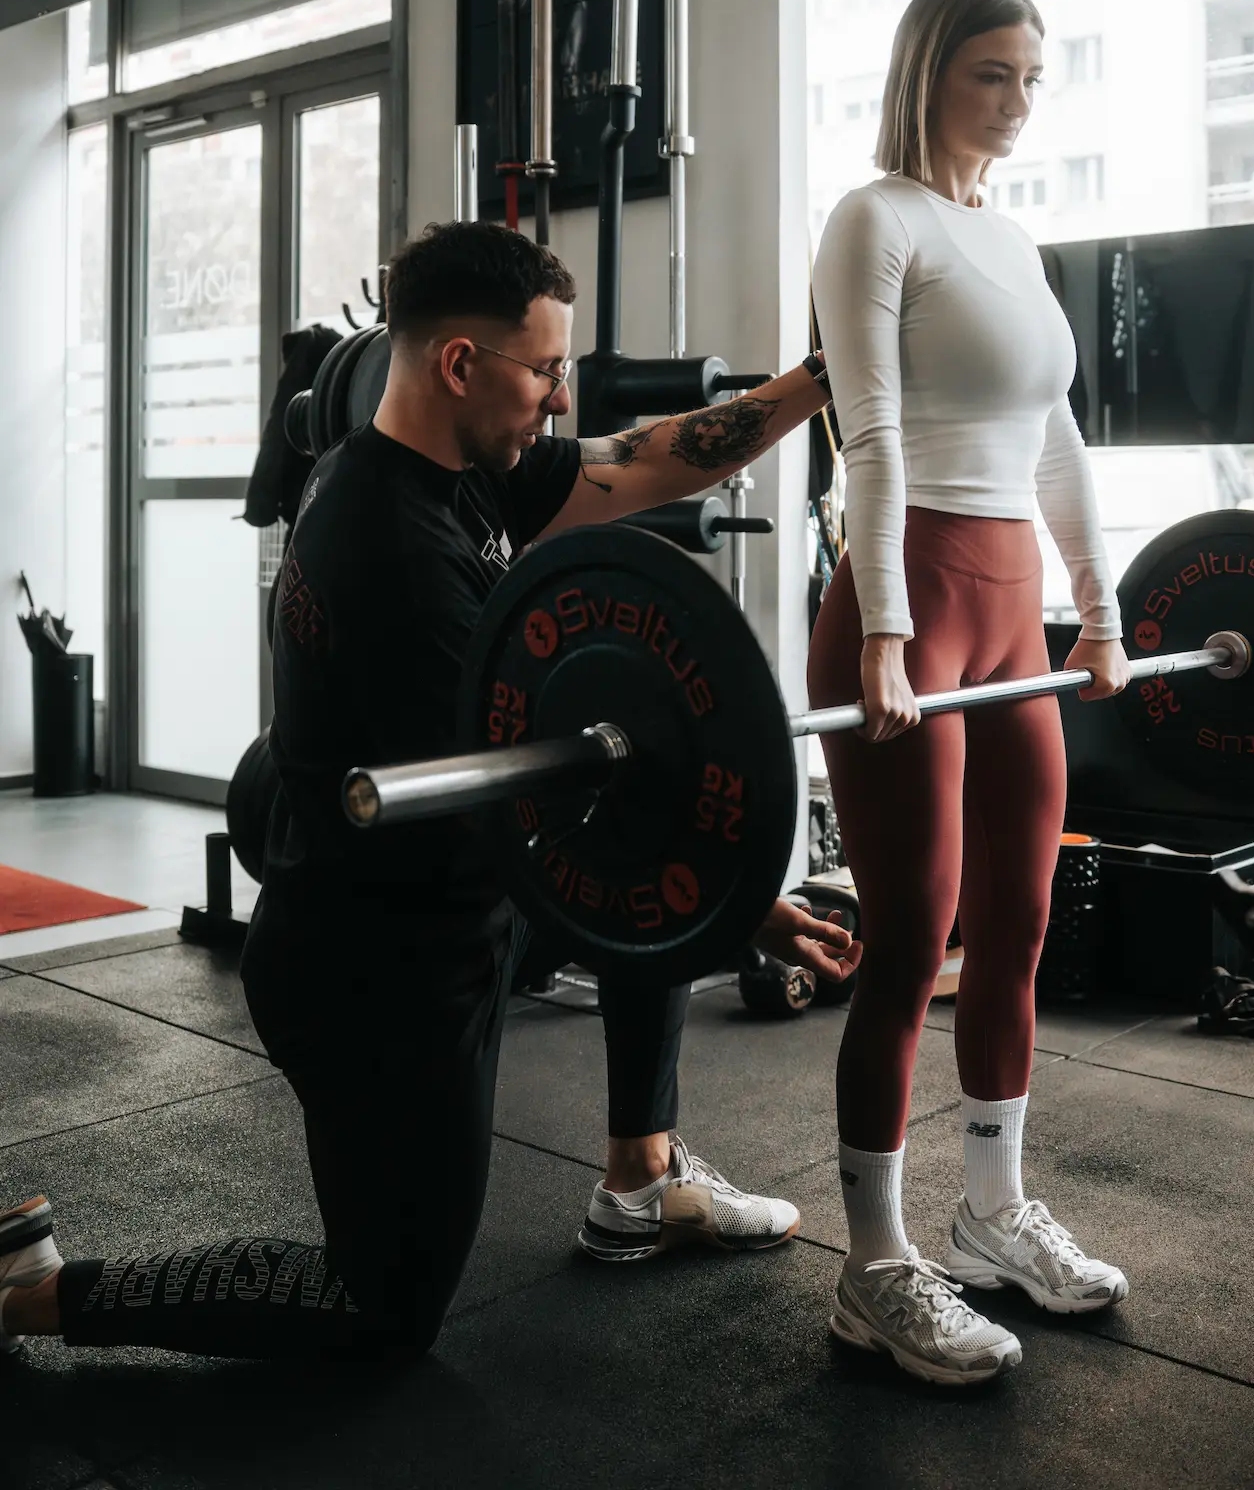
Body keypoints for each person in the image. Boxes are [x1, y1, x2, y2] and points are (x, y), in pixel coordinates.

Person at [1, 220, 857, 1361]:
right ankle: (40, 1287)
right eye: (546, 371)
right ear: (461, 364)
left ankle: (640, 1177)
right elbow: (533, 818)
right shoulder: (395, 551)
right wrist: (736, 899)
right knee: (383, 1308)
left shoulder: (450, 469)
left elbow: (648, 457)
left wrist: (821, 374)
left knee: (636, 828)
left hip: (451, 903)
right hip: (372, 975)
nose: (560, 399)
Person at [808, 0, 1132, 1388]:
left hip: (1009, 615)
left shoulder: (1011, 241)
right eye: (991, 73)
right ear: (929, 70)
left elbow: (1055, 440)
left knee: (1019, 913)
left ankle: (992, 1211)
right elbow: (868, 436)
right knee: (909, 933)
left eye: (1030, 78)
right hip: (912, 602)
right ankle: (873, 1265)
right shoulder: (872, 219)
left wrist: (1097, 609)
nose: (1015, 100)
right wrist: (882, 633)